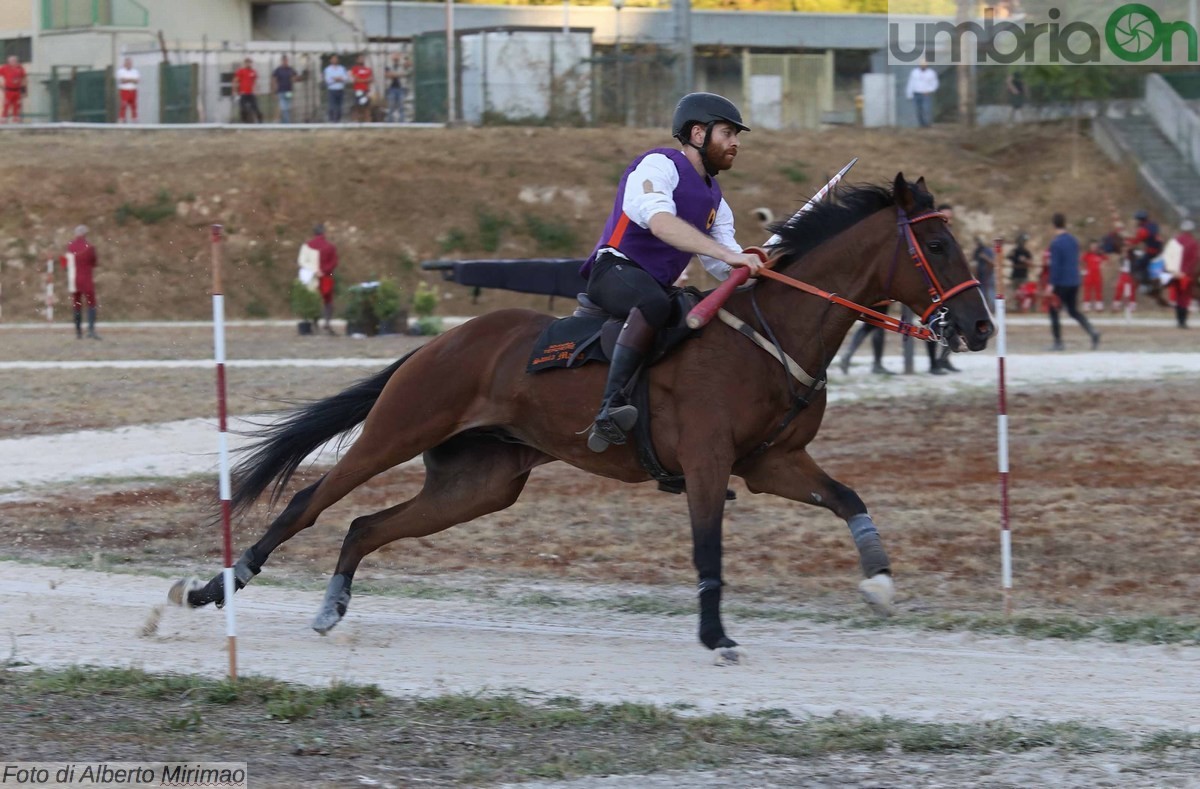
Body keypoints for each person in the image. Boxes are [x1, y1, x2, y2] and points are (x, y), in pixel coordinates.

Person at [579, 92, 764, 452]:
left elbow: (724, 263)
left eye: (737, 136)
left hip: (656, 285)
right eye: (728, 133)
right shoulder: (657, 166)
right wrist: (729, 255)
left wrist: (759, 265)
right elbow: (661, 223)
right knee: (654, 305)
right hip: (614, 271)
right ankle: (608, 410)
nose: (736, 143)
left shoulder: (716, 200)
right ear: (698, 133)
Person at [1046, 213, 1100, 351]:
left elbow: (1056, 265)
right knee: (1073, 310)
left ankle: (1058, 342)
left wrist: (1051, 284)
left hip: (1061, 282)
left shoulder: (1056, 243)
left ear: (1053, 225)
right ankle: (1092, 331)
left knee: (1053, 311)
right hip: (1074, 280)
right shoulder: (1073, 241)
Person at [926, 203, 959, 374]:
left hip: (947, 285)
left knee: (954, 322)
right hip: (933, 286)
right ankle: (933, 364)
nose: (948, 221)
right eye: (945, 218)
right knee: (934, 323)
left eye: (950, 218)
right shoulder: (931, 238)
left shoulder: (949, 235)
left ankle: (944, 359)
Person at [62, 225, 100, 340]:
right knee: (91, 303)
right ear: (85, 234)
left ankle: (78, 333)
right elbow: (94, 263)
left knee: (76, 304)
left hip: (74, 279)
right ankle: (91, 331)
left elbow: (64, 263)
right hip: (86, 278)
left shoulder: (69, 246)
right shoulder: (90, 247)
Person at [300, 224, 339, 335]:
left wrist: (314, 270)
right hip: (326, 276)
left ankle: (314, 323)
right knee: (328, 301)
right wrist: (324, 271)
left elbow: (303, 262)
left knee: (313, 300)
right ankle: (327, 322)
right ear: (324, 233)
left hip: (311, 276)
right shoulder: (330, 247)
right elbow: (334, 262)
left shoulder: (308, 246)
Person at [837, 306, 894, 377]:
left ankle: (848, 355)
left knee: (874, 325)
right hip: (878, 298)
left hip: (875, 299)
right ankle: (848, 355)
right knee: (875, 324)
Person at [1165, 220, 1198, 328]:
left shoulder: (1175, 240)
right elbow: (1195, 259)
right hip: (1187, 274)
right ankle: (1182, 322)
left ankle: (1179, 321)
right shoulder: (1193, 243)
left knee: (1178, 296)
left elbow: (1169, 255)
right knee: (1185, 297)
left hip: (1175, 273)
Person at [905, 60, 938, 128]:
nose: (923, 66)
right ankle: (922, 124)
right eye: (922, 65)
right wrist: (909, 93)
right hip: (916, 93)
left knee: (926, 109)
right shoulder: (914, 72)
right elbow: (911, 83)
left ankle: (928, 123)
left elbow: (935, 84)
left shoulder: (931, 73)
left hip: (926, 94)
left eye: (924, 65)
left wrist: (929, 90)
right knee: (918, 110)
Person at [272, 55, 302, 124]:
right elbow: (274, 80)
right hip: (281, 91)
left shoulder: (290, 69)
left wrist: (297, 78)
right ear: (281, 61)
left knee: (288, 107)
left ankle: (284, 122)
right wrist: (274, 91)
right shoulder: (278, 70)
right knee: (283, 107)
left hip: (289, 92)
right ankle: (286, 123)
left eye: (286, 60)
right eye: (283, 60)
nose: (285, 62)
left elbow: (296, 78)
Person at [234, 57, 262, 123]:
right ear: (245, 63)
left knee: (255, 107)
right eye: (247, 63)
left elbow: (256, 82)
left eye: (250, 63)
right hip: (243, 93)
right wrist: (235, 92)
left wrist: (257, 90)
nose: (248, 64)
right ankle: (244, 122)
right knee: (243, 108)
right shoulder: (241, 71)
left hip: (251, 93)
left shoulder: (253, 72)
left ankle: (260, 121)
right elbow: (236, 81)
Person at [0, 55, 27, 124]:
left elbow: (24, 78)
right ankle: (3, 121)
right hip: (9, 90)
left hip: (17, 90)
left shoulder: (20, 68)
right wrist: (1, 86)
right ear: (8, 61)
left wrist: (24, 89)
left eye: (15, 60)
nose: (13, 62)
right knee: (6, 105)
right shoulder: (5, 68)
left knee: (17, 106)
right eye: (11, 61)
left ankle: (16, 121)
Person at [1081, 239, 1106, 312]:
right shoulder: (1087, 255)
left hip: (1097, 275)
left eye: (1095, 246)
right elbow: (1081, 261)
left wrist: (1103, 264)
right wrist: (1083, 271)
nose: (1093, 247)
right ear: (1089, 247)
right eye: (1092, 246)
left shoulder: (1100, 255)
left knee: (1098, 291)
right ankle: (1086, 306)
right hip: (1089, 275)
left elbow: (1106, 260)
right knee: (1087, 291)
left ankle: (1099, 307)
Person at [1008, 233, 1033, 302]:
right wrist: (1015, 257)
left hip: (1023, 275)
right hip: (1015, 275)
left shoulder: (1026, 252)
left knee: (1024, 292)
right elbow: (1009, 256)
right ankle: (1015, 306)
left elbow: (1030, 263)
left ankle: (1022, 307)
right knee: (1014, 292)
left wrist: (1024, 260)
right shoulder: (1015, 251)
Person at [323, 54, 347, 123]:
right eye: (333, 59)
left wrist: (336, 78)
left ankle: (338, 119)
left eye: (336, 59)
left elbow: (345, 78)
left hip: (340, 89)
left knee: (339, 105)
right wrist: (337, 79)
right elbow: (328, 80)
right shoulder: (328, 69)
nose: (334, 60)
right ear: (330, 60)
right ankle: (331, 119)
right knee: (332, 105)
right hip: (332, 89)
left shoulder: (342, 68)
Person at [384, 54, 408, 123]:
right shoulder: (389, 66)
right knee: (391, 106)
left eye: (397, 56)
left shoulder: (402, 66)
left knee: (402, 106)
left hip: (401, 88)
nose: (396, 57)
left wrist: (394, 74)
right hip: (391, 88)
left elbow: (405, 73)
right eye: (394, 56)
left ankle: (402, 121)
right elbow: (387, 75)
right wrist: (398, 74)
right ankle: (390, 121)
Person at [350, 55, 373, 123]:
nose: (361, 60)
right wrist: (365, 80)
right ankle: (357, 120)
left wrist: (362, 80)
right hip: (358, 90)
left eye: (362, 59)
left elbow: (371, 79)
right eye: (360, 59)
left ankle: (367, 120)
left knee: (367, 105)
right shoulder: (354, 69)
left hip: (366, 90)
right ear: (357, 60)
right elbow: (355, 79)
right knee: (358, 105)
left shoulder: (368, 69)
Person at [116, 57, 140, 123]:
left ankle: (134, 119)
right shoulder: (121, 71)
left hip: (133, 90)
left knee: (134, 105)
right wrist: (131, 80)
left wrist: (128, 80)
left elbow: (137, 80)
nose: (129, 64)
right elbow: (122, 80)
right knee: (123, 105)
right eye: (128, 63)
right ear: (125, 64)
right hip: (124, 90)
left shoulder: (135, 71)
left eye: (130, 63)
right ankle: (121, 119)